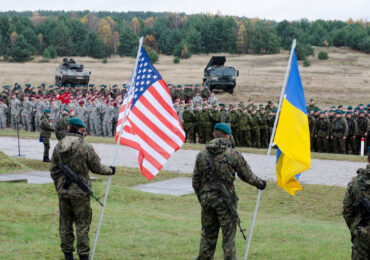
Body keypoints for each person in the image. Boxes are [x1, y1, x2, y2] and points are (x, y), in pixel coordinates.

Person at [192, 123, 266, 260]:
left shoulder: (201, 155)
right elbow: (247, 176)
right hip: (226, 202)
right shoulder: (233, 154)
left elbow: (195, 182)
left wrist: (203, 198)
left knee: (207, 237)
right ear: (227, 136)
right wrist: (261, 183)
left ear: (214, 134)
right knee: (228, 239)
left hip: (207, 201)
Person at [50, 118, 115, 260]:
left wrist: (59, 186)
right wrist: (110, 170)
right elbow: (97, 167)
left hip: (63, 192)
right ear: (80, 130)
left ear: (68, 127)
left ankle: (68, 255)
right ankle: (83, 256)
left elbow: (53, 169)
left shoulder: (59, 145)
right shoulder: (85, 146)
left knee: (65, 224)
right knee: (82, 225)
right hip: (80, 193)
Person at [343, 147, 370, 260]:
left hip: (362, 235)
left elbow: (347, 211)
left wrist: (355, 229)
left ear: (368, 159)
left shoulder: (355, 182)